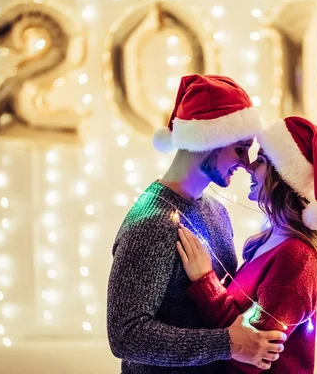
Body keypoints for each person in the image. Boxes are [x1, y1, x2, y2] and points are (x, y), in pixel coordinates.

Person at [107, 74, 287, 374]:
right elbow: (125, 335)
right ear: (209, 140)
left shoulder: (217, 211)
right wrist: (227, 344)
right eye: (240, 148)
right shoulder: (151, 224)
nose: (246, 163)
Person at [176, 116, 317, 373]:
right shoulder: (268, 240)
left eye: (262, 161)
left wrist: (205, 283)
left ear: (283, 177)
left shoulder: (297, 258)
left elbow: (250, 355)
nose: (249, 166)